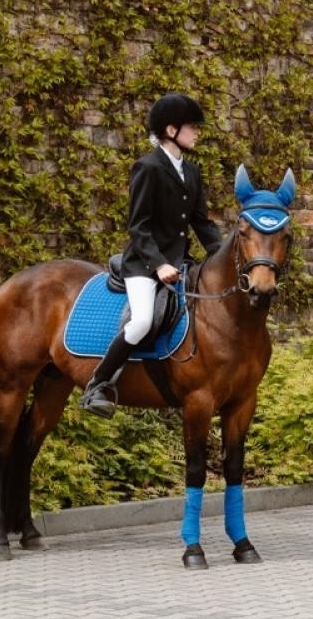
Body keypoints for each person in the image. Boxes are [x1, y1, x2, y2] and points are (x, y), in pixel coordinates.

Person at [79, 93, 223, 417]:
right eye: (192, 127)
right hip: (144, 265)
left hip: (179, 264)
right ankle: (98, 384)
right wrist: (158, 265)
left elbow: (201, 223)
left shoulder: (192, 172)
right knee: (142, 320)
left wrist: (224, 255)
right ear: (171, 130)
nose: (197, 133)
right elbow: (138, 227)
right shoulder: (147, 167)